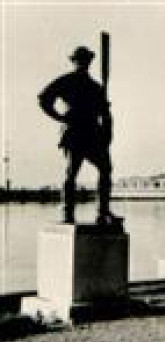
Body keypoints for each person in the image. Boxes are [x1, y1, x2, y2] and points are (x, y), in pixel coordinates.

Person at [37, 45, 117, 226]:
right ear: (73, 61)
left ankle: (103, 211)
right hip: (74, 132)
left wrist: (108, 133)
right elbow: (43, 98)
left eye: (86, 60)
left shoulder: (96, 87)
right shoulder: (66, 80)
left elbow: (106, 113)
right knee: (72, 172)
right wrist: (59, 117)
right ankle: (67, 211)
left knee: (106, 168)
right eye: (80, 60)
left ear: (90, 62)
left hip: (93, 133)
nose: (83, 63)